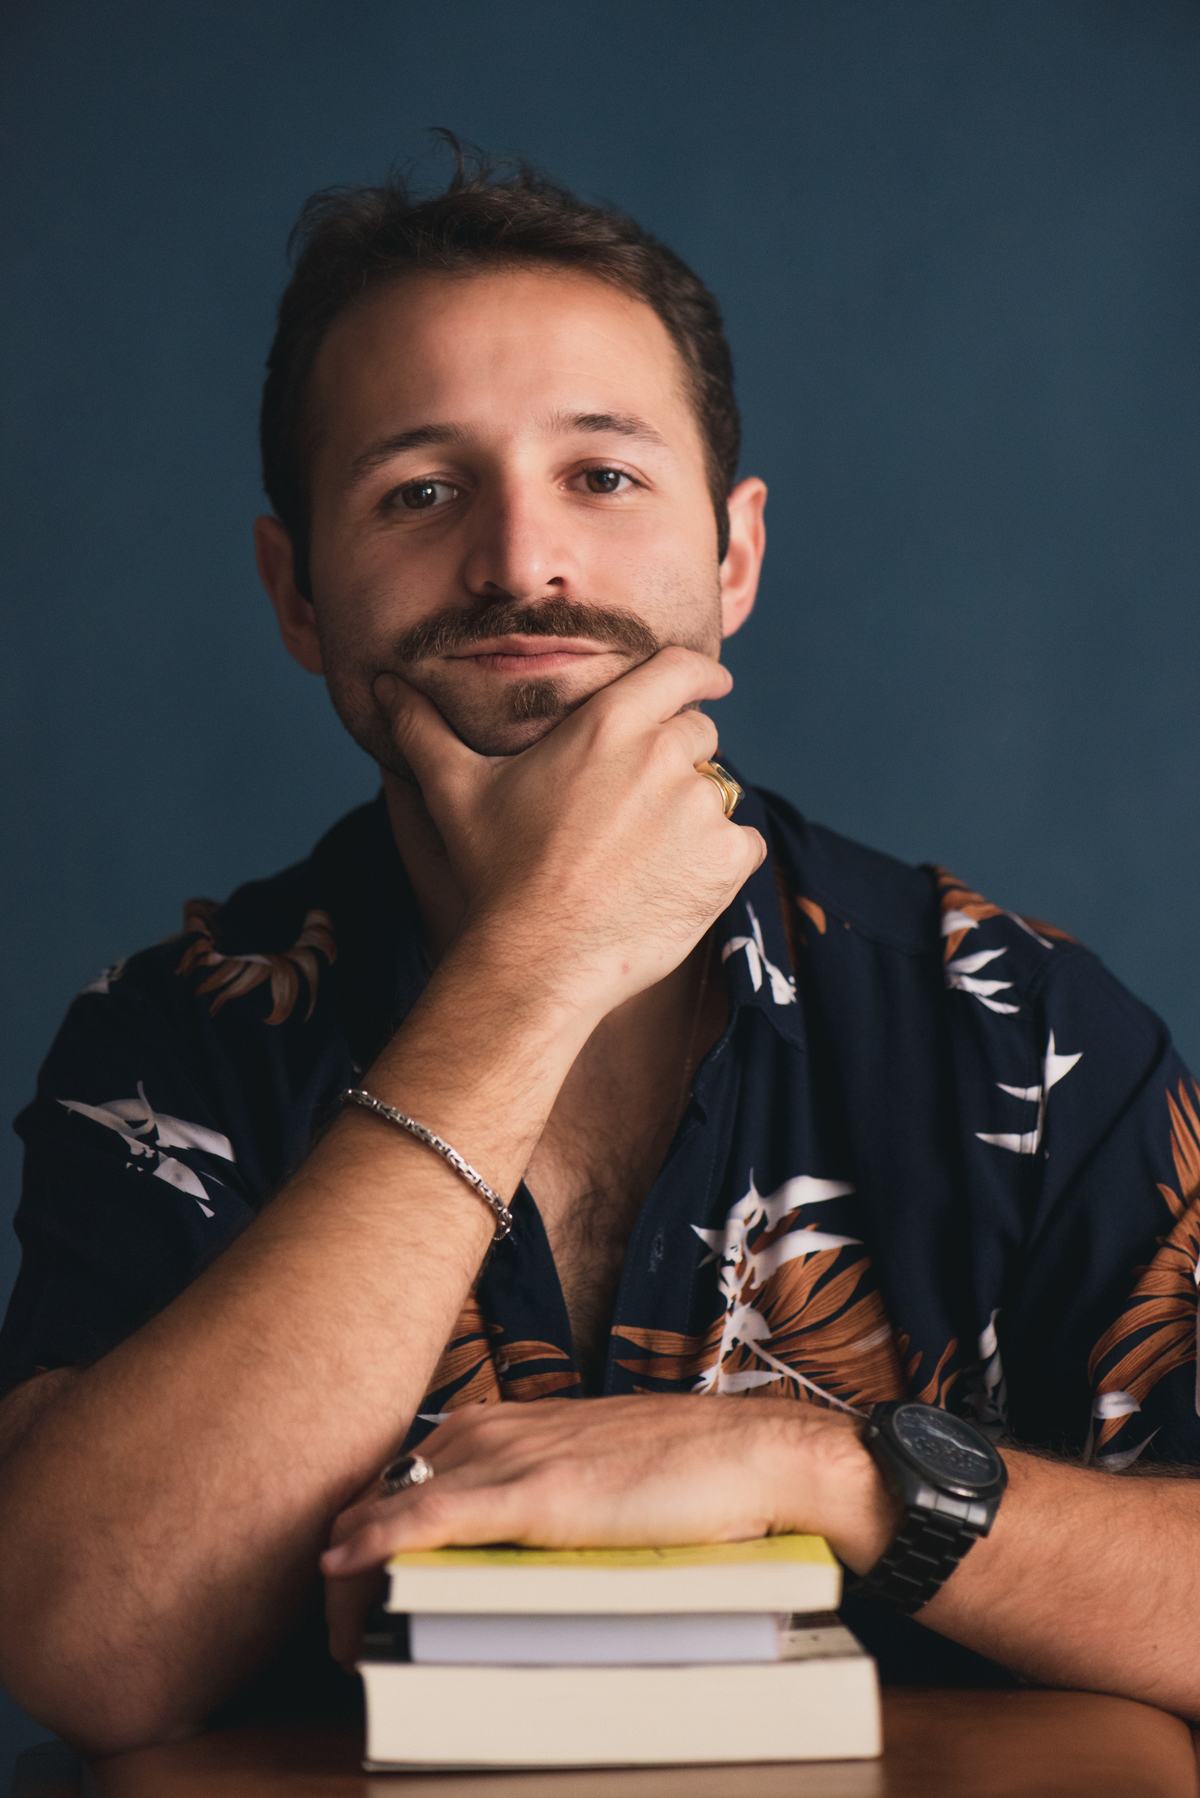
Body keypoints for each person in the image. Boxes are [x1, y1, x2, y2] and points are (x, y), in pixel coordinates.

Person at [1, 140, 1198, 1755]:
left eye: (603, 476)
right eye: (419, 492)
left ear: (735, 555)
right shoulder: (178, 1042)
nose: (520, 563)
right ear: (297, 593)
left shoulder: (1023, 1033)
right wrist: (537, 965)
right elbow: (88, 1649)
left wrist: (816, 1467)